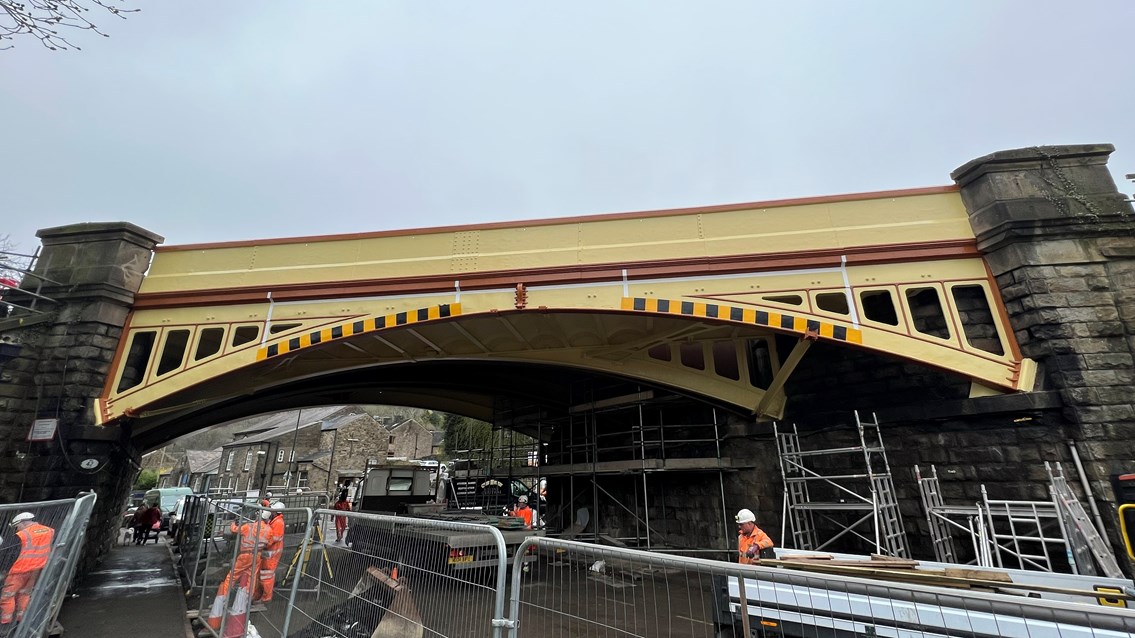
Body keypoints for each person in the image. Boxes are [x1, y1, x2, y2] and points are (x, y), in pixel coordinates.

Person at [206, 513, 269, 632]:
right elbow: (269, 542)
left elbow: (234, 530)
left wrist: (233, 523)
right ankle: (245, 601)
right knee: (251, 580)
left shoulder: (249, 527)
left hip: (245, 555)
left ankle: (223, 596)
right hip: (257, 556)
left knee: (232, 577)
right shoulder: (268, 529)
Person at [0, 513, 54, 627]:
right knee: (25, 594)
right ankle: (21, 622)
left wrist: (4, 570)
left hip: (19, 570)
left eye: (16, 527)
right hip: (36, 570)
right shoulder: (48, 531)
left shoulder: (22, 535)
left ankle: (5, 624)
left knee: (7, 596)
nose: (16, 530)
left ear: (21, 522)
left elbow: (10, 554)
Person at [255, 502, 286, 603]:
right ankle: (260, 594)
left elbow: (273, 539)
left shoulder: (278, 523)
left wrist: (262, 543)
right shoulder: (274, 521)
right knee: (263, 573)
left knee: (266, 575)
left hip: (272, 553)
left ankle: (266, 597)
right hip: (269, 552)